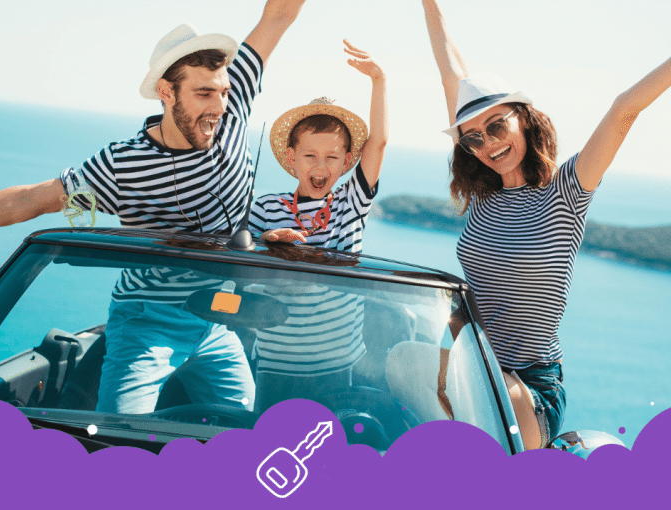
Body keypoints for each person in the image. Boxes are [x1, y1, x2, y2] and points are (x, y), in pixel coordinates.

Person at [0, 0, 308, 414]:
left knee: (244, 433)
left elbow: (278, 14)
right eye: (204, 93)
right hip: (148, 319)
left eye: (222, 92)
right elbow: (30, 201)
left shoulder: (230, 102)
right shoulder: (122, 164)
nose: (220, 106)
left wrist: (261, 237)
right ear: (167, 92)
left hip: (217, 318)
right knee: (119, 440)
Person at [420, 0, 671, 449]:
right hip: (472, 367)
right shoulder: (484, 197)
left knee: (486, 415)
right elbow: (450, 75)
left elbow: (624, 110)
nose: (488, 143)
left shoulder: (564, 192)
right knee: (401, 361)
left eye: (497, 126)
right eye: (473, 137)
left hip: (528, 390)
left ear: (525, 118)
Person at [247, 41, 388, 411]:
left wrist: (379, 80)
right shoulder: (264, 207)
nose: (320, 166)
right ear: (292, 159)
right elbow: (240, 265)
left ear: (346, 163)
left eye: (331, 157)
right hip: (275, 366)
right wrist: (267, 241)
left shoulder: (350, 204)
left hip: (337, 367)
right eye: (310, 155)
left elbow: (380, 142)